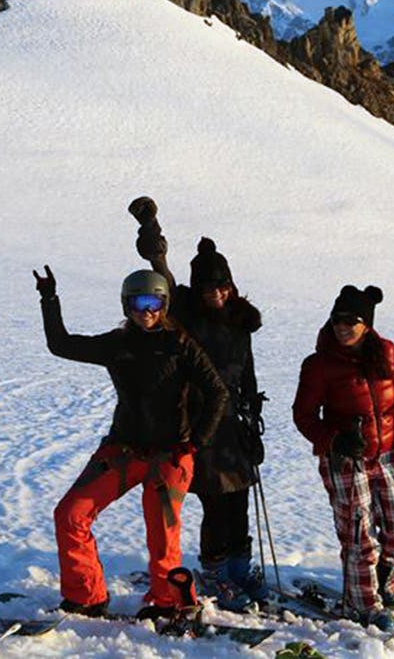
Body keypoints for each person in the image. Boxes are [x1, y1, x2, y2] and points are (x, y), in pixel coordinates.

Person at [34, 264, 230, 619]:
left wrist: (194, 443)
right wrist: (49, 298)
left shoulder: (180, 345)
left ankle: (171, 603)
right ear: (127, 305)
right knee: (70, 514)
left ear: (165, 304)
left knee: (162, 533)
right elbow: (60, 344)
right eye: (139, 302)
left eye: (155, 301)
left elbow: (217, 392)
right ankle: (86, 596)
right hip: (122, 450)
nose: (147, 311)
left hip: (171, 455)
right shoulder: (118, 344)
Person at [128, 196, 267, 610]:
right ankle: (216, 572)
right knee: (214, 498)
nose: (216, 294)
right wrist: (150, 226)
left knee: (239, 495)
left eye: (221, 286)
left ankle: (241, 567)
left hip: (235, 423)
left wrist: (253, 414)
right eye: (209, 287)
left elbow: (247, 371)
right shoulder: (184, 310)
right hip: (200, 419)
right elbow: (160, 270)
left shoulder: (240, 321)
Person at [292, 285, 394, 631]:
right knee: (360, 535)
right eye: (337, 320)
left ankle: (384, 586)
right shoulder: (319, 365)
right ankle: (364, 604)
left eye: (351, 320)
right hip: (344, 459)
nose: (342, 327)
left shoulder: (387, 352)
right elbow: (303, 416)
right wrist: (334, 440)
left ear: (367, 324)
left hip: (387, 454)